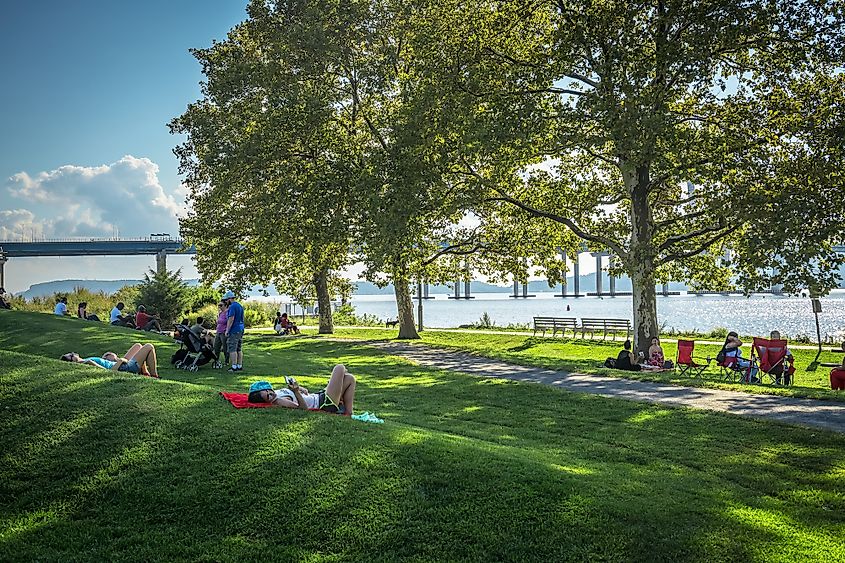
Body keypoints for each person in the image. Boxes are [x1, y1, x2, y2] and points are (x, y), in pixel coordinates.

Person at [247, 364, 356, 415]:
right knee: (339, 368)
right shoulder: (279, 401)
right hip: (324, 403)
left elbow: (294, 393)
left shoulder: (277, 393)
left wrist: (299, 389)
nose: (271, 393)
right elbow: (303, 408)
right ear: (266, 401)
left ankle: (348, 412)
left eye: (268, 390)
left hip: (319, 396)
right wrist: (296, 392)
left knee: (350, 378)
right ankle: (341, 406)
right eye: (268, 396)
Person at [60, 343, 160, 378]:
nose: (73, 353)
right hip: (123, 368)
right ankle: (154, 376)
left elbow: (104, 365)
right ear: (73, 362)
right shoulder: (87, 362)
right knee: (149, 347)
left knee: (138, 346)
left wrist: (107, 358)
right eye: (71, 356)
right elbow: (108, 372)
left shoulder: (86, 360)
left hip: (118, 364)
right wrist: (120, 361)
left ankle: (145, 373)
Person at [223, 290, 245, 372]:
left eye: (226, 300)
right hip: (240, 329)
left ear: (229, 299)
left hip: (234, 330)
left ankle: (234, 366)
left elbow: (231, 319)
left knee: (232, 348)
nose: (225, 302)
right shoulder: (239, 306)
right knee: (239, 348)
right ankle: (239, 365)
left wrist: (227, 330)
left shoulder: (232, 307)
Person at [213, 301, 229, 367]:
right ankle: (216, 360)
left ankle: (227, 361)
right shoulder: (220, 313)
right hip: (218, 332)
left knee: (225, 347)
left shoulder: (227, 313)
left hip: (224, 332)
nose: (219, 307)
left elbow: (229, 322)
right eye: (219, 305)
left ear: (225, 305)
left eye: (221, 305)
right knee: (216, 347)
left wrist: (227, 331)